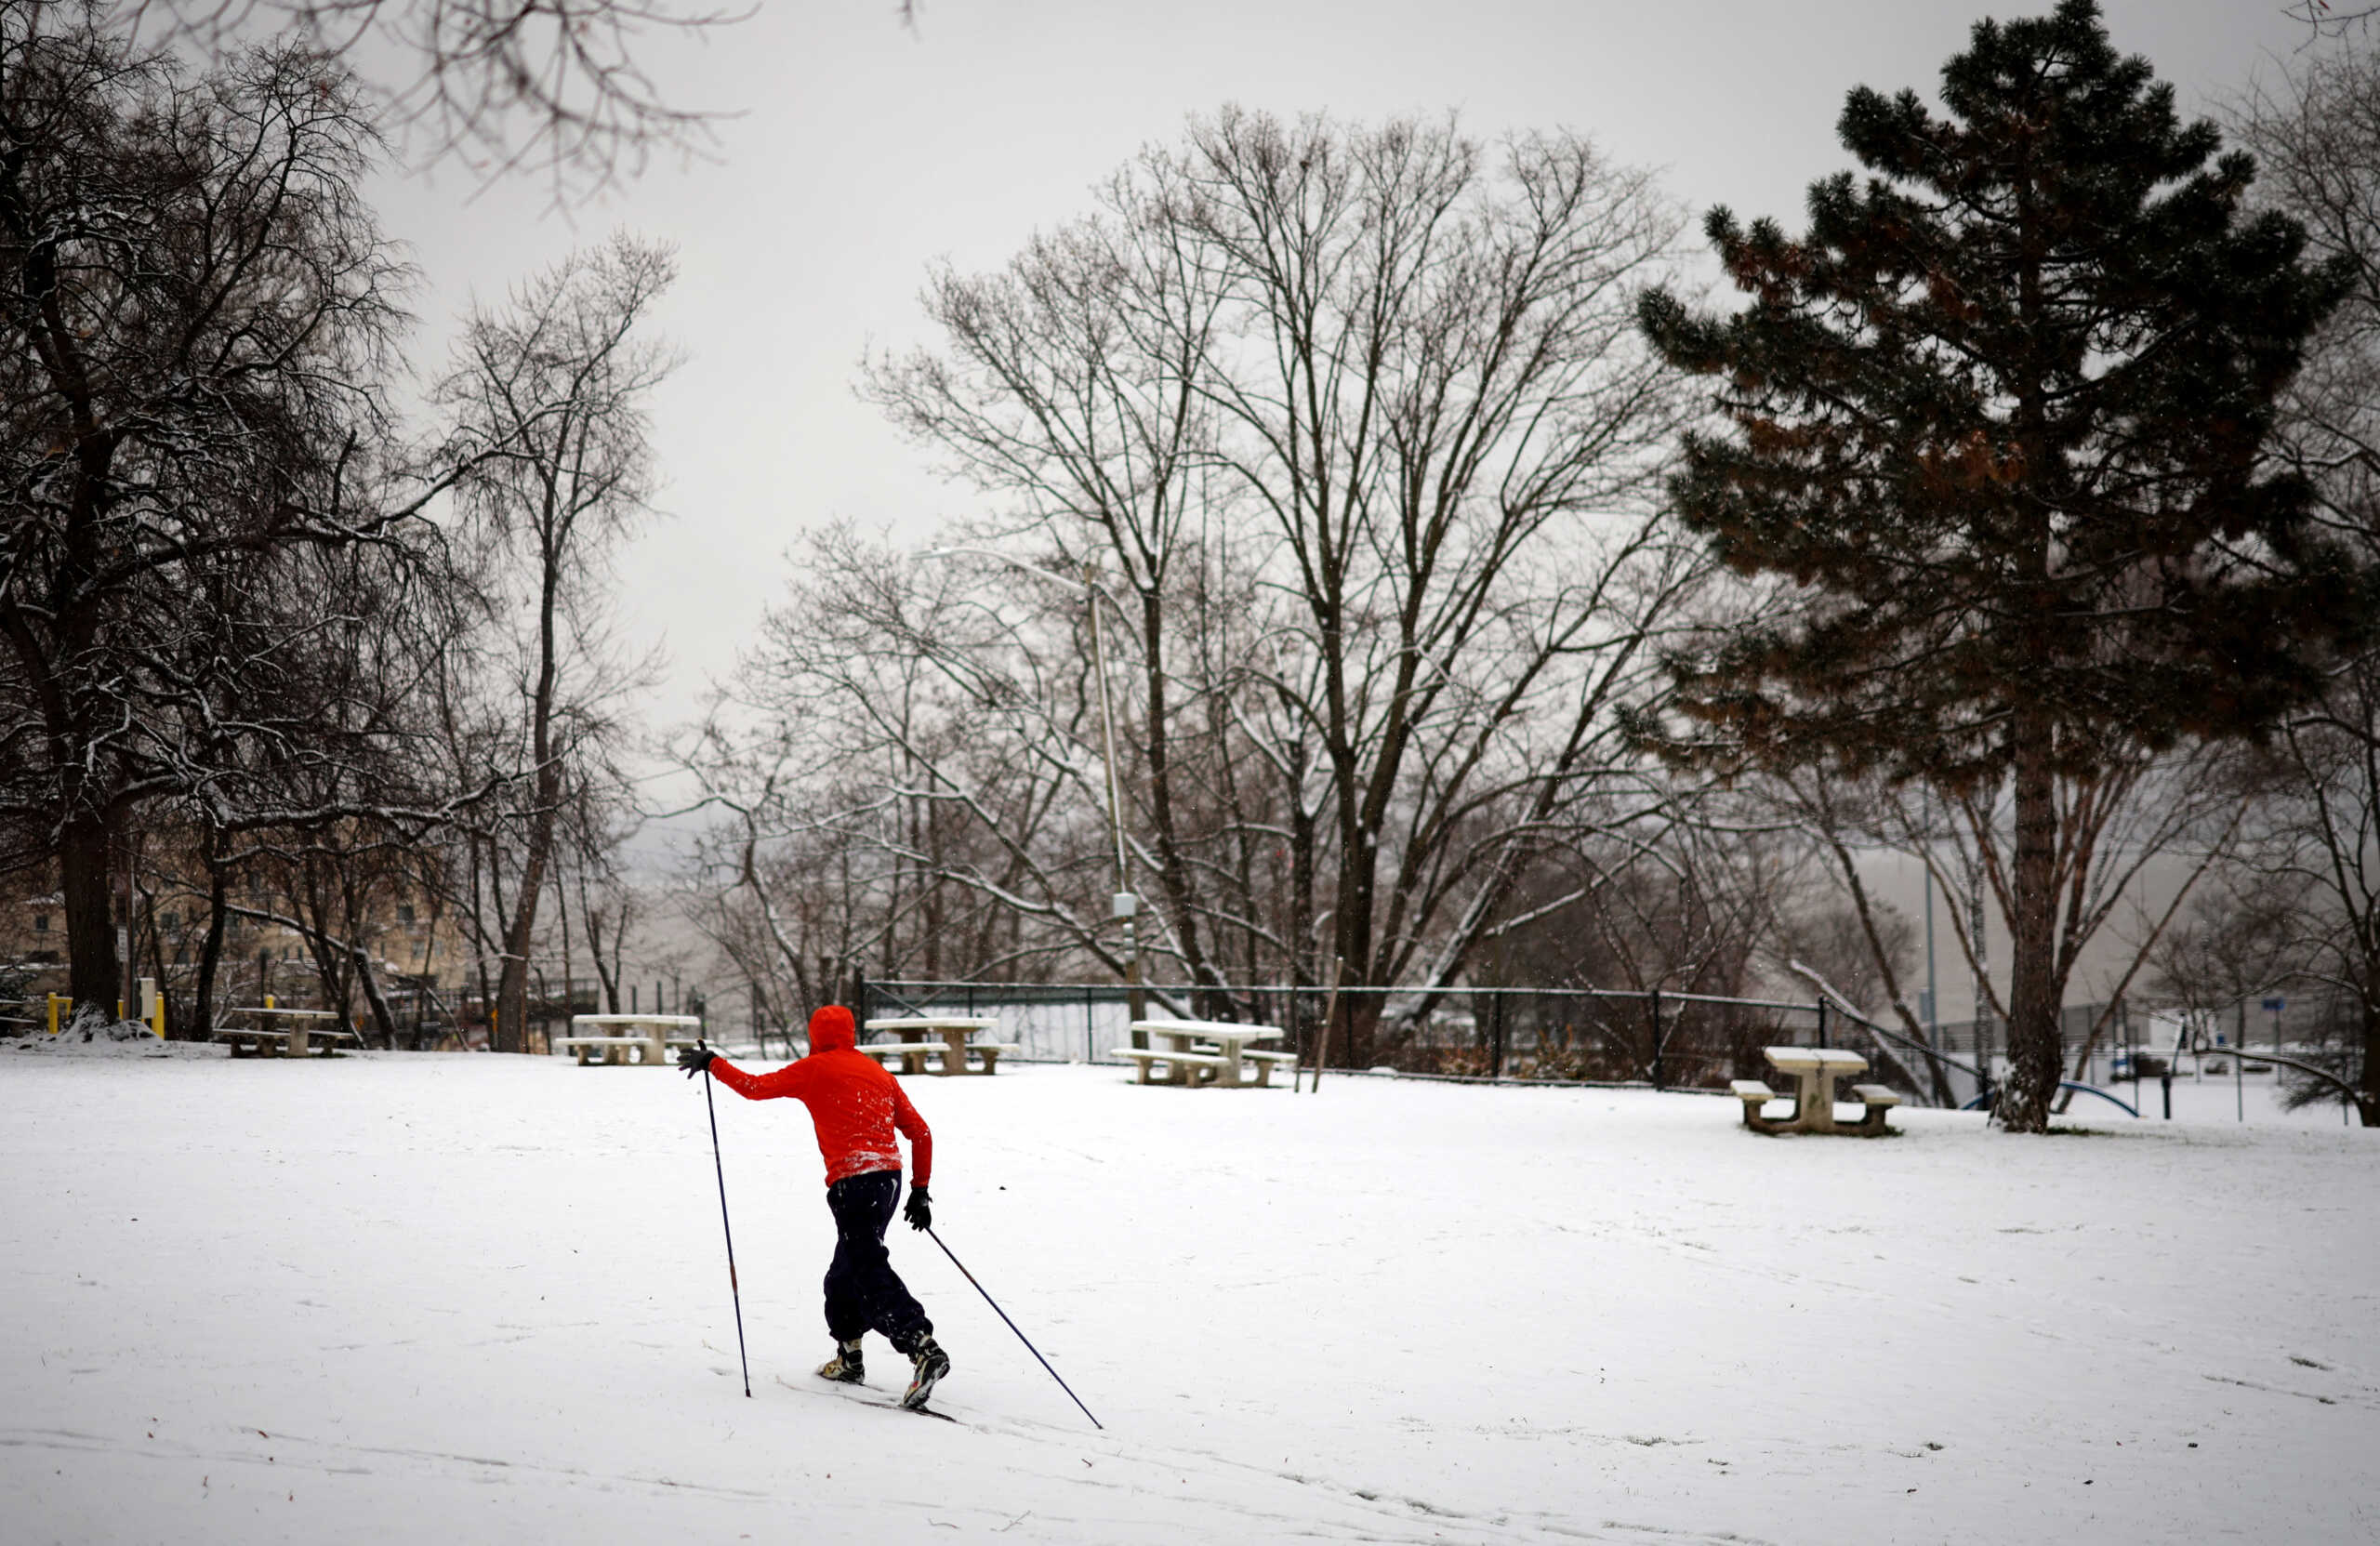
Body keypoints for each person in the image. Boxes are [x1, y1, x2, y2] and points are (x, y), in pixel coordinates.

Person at [679, 1005, 950, 1409]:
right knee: (844, 1274)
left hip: (853, 1183)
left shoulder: (815, 1068)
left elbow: (754, 1087)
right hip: (888, 1182)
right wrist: (919, 1190)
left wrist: (713, 1063)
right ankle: (850, 1358)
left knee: (867, 1268)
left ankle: (922, 1346)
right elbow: (921, 1133)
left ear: (814, 1035)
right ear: (852, 1033)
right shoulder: (878, 1073)